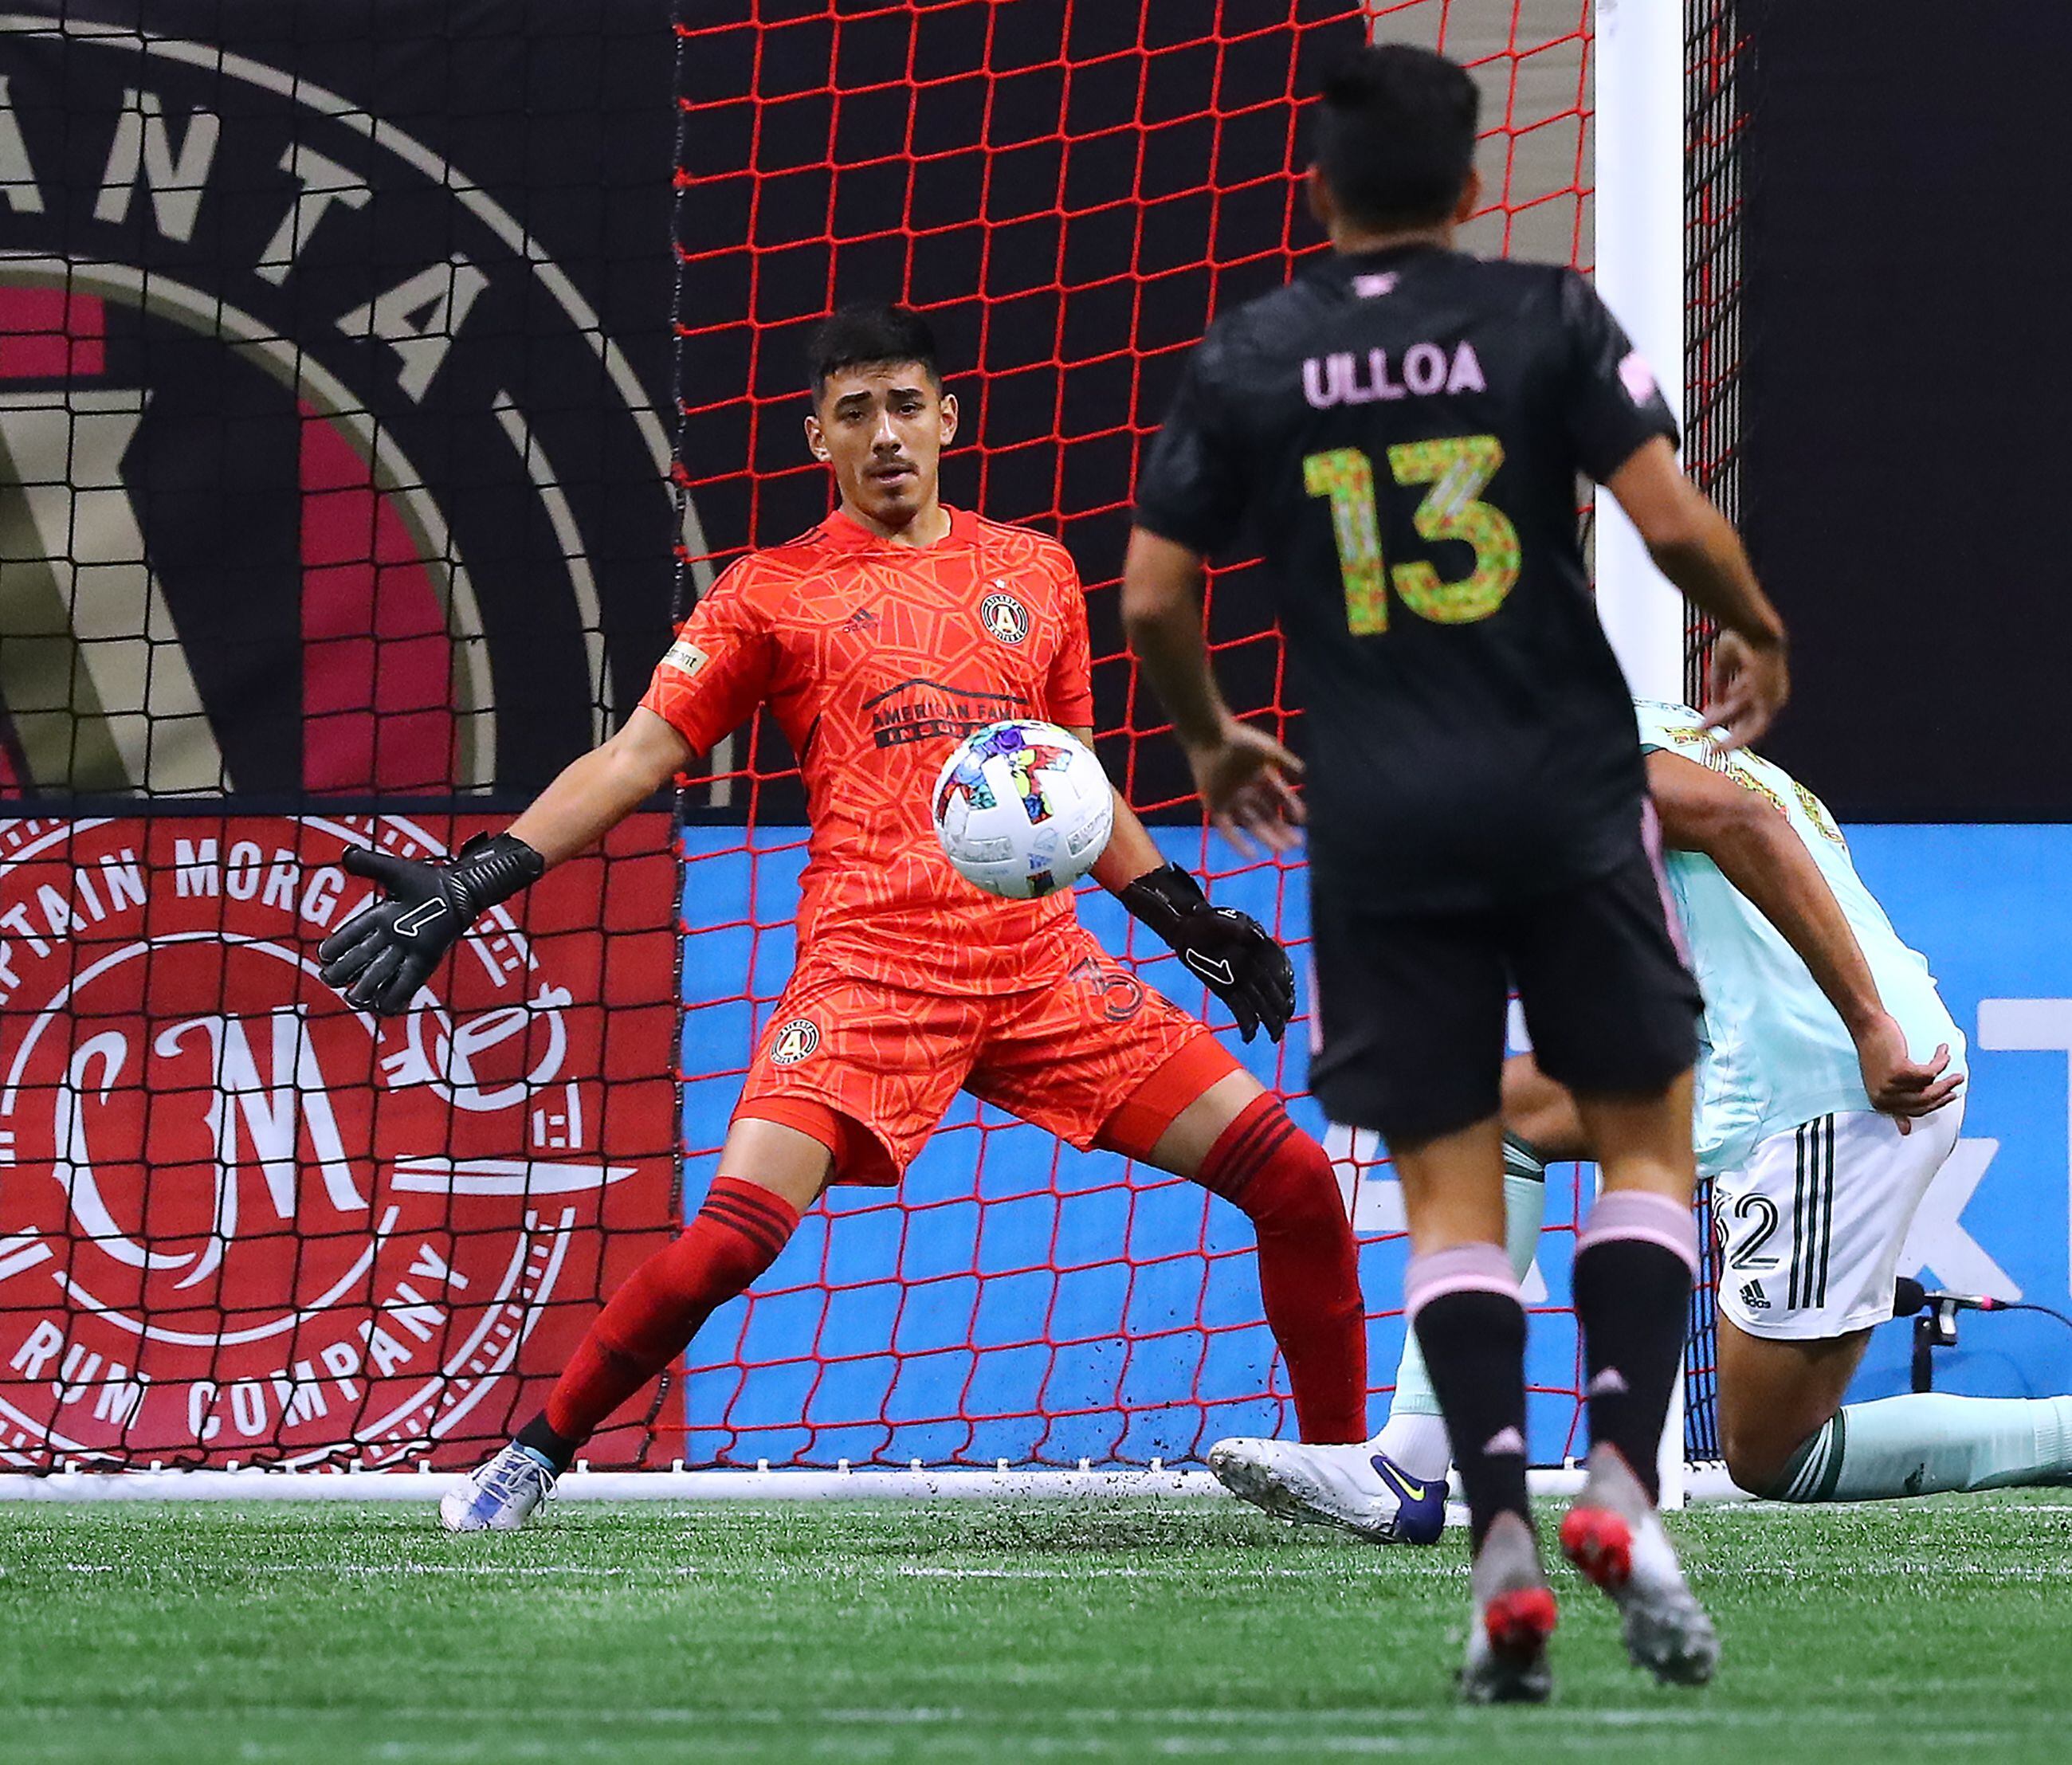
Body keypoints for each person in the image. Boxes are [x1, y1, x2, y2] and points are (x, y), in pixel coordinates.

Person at [316, 304, 1372, 1533]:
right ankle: (536, 1454)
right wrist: (474, 877)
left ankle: (1345, 1464)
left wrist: (1179, 910)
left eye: (907, 406)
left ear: (949, 418)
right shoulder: (770, 594)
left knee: (1297, 1178)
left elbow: (1066, 779)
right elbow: (640, 753)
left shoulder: (1033, 571)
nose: (886, 434)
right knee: (731, 1241)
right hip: (871, 973)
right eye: (856, 411)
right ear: (815, 434)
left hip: (1041, 970)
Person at [1121, 45, 1791, 1701]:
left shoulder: (1251, 352)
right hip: (1564, 793)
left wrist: (1212, 739)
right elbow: (1671, 522)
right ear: (1474, 183)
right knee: (1639, 1136)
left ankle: (1492, 1521)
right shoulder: (1544, 315)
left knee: (1448, 1183)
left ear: (1316, 187)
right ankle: (1622, 1483)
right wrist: (1757, 626)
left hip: (1380, 815)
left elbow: (1144, 596)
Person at [1218, 701, 2072, 1524]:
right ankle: (1405, 1466)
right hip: (1763, 1061)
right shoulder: (1640, 727)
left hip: (1832, 1088)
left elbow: (1744, 826)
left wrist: (1867, 1027)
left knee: (1772, 1454)